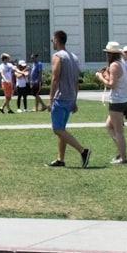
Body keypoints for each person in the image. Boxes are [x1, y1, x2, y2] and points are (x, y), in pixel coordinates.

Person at [47, 30, 90, 168]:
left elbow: (55, 78)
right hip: (70, 97)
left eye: (52, 40)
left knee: (57, 129)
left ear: (56, 40)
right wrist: (75, 100)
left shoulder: (58, 57)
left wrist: (50, 98)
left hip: (60, 97)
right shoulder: (74, 57)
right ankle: (60, 159)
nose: (52, 42)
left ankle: (83, 151)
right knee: (62, 129)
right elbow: (76, 80)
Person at [95, 42, 127, 164]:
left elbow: (112, 85)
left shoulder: (115, 65)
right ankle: (121, 151)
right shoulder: (123, 64)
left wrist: (101, 77)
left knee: (118, 130)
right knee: (109, 126)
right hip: (125, 98)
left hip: (117, 100)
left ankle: (123, 157)